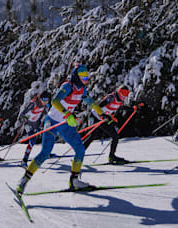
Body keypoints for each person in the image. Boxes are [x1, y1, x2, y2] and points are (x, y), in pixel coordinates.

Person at [15, 64, 103, 195]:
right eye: (83, 78)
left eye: (87, 78)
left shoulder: (82, 90)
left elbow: (91, 102)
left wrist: (102, 114)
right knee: (45, 152)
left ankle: (74, 180)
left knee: (80, 149)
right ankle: (24, 180)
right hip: (52, 121)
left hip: (66, 123)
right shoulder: (68, 86)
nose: (86, 81)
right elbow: (55, 101)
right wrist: (67, 114)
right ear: (76, 77)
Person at [83, 85, 131, 164]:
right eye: (123, 94)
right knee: (92, 137)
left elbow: (119, 107)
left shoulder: (119, 101)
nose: (124, 97)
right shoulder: (111, 97)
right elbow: (99, 106)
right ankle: (79, 154)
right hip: (96, 116)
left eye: (125, 95)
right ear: (119, 92)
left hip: (104, 118)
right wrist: (103, 115)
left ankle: (112, 156)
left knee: (112, 136)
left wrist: (132, 108)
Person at [19, 91, 50, 167]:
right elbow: (22, 114)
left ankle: (46, 153)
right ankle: (24, 160)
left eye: (47, 100)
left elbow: (47, 113)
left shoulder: (46, 104)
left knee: (46, 136)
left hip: (36, 123)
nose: (45, 102)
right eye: (44, 100)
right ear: (40, 99)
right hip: (28, 123)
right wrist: (25, 117)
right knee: (32, 140)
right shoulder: (33, 103)